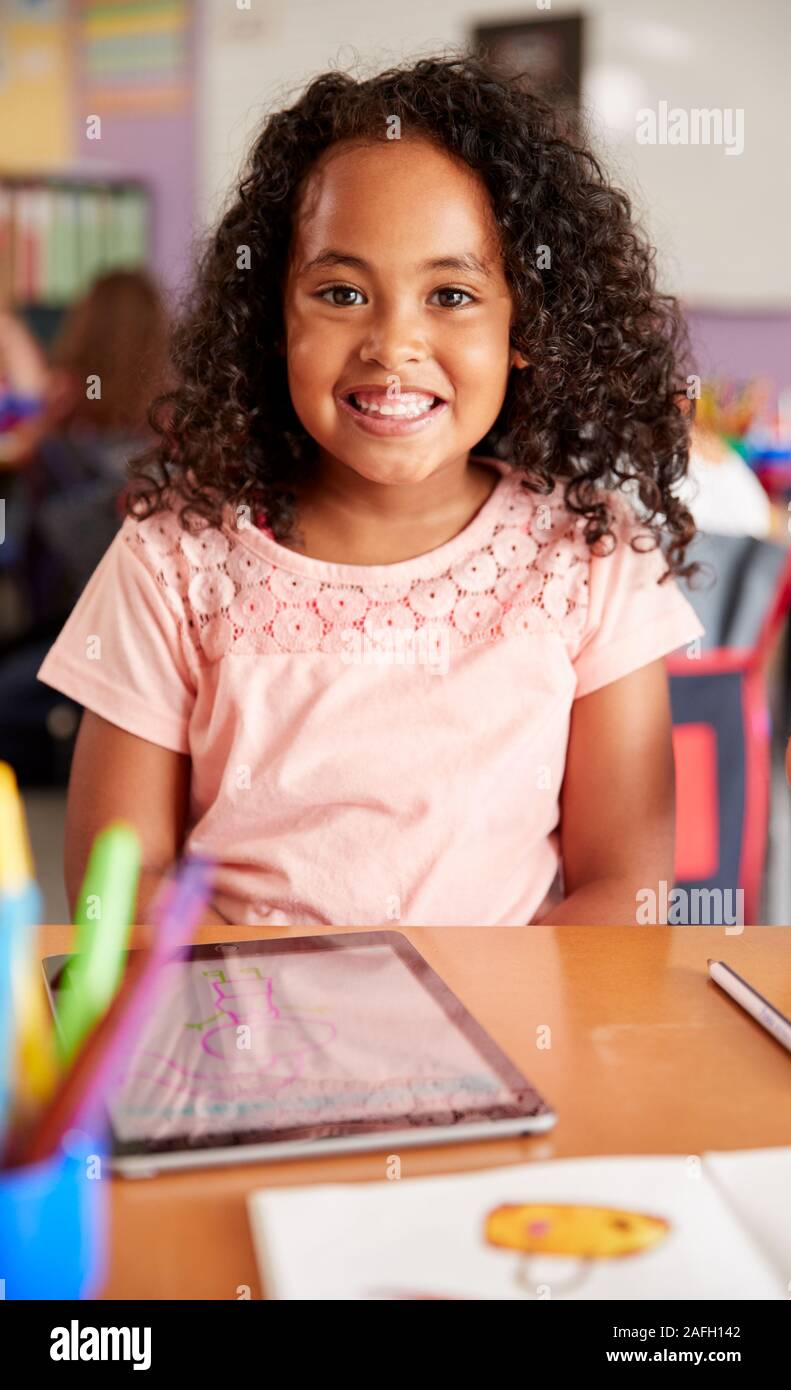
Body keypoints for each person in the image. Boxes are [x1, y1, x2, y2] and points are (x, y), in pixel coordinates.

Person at [38, 54, 703, 926]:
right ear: (274, 317)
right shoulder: (173, 557)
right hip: (239, 1008)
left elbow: (623, 890)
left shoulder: (589, 557)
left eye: (451, 294)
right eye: (342, 292)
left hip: (501, 1014)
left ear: (526, 326)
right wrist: (274, 996)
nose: (392, 345)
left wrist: (475, 1006)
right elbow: (117, 887)